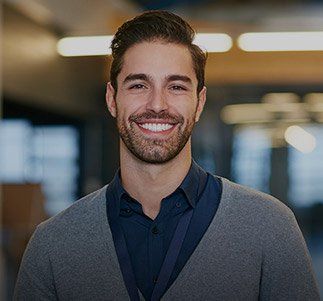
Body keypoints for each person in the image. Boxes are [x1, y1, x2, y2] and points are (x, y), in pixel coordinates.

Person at [14, 11, 320, 301]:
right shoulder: (52, 244)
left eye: (176, 86)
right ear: (112, 99)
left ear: (199, 103)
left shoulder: (270, 227)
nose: (157, 104)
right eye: (138, 85)